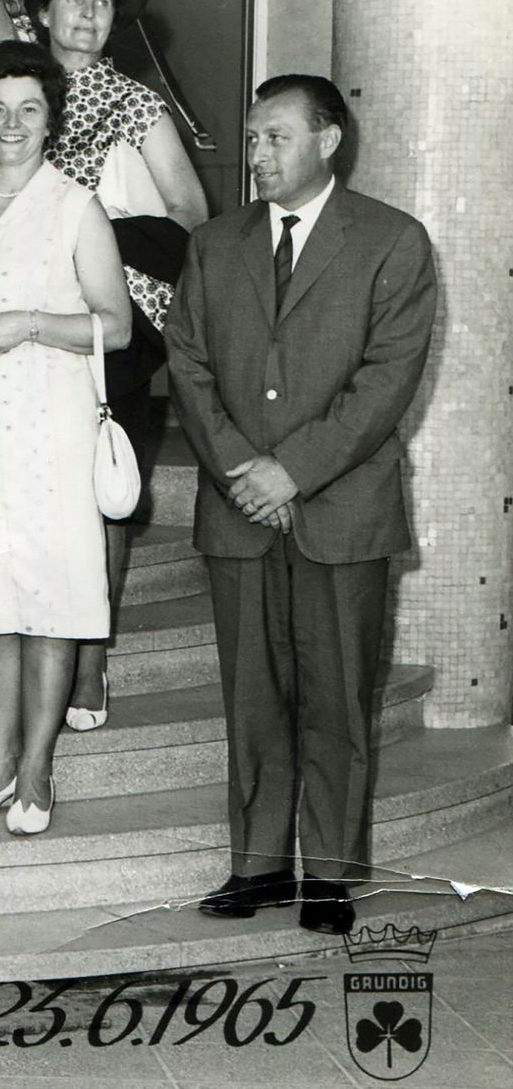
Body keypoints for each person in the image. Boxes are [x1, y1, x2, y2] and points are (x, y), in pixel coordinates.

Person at [169, 74, 436, 937]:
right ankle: (255, 867)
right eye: (252, 138)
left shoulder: (393, 241)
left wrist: (293, 471)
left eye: (275, 137)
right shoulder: (215, 244)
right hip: (238, 508)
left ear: (328, 141)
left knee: (336, 700)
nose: (257, 154)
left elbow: (386, 381)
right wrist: (245, 470)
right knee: (253, 698)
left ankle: (330, 875)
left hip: (342, 510)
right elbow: (188, 364)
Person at [0, 41, 130, 837]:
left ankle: (38, 770)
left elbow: (116, 324)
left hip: (53, 427)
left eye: (29, 110)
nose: (11, 125)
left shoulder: (75, 206)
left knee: (50, 600)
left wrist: (35, 324)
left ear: (52, 121)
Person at [28, 0, 210, 730]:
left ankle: (91, 658)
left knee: (102, 489)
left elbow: (191, 212)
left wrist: (97, 236)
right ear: (43, 12)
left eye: (102, 4)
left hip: (118, 321)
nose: (89, 15)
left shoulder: (136, 102)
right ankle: (33, 654)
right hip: (26, 315)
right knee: (31, 489)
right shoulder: (14, 89)